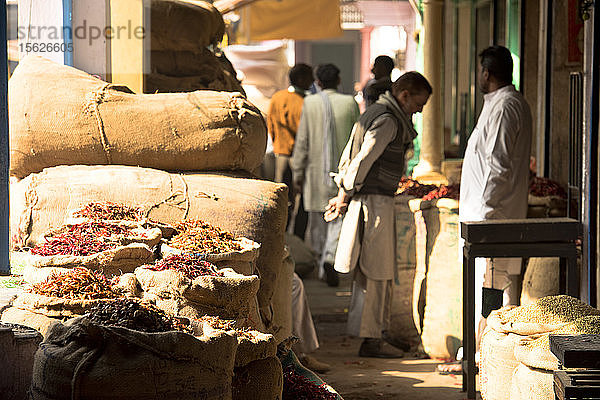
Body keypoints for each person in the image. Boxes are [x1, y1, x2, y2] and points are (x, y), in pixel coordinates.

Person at [439, 45, 532, 374]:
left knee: (492, 288)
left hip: (493, 217)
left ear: (486, 73)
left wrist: (487, 219)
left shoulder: (507, 106)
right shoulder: (498, 104)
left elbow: (498, 167)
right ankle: (480, 353)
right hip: (486, 215)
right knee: (489, 286)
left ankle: (482, 357)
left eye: (480, 71)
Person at [327, 72, 432, 358]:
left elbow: (350, 155)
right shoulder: (387, 120)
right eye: (418, 104)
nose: (419, 111)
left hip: (371, 200)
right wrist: (346, 190)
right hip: (373, 203)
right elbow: (362, 159)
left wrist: (344, 190)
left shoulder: (377, 112)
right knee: (376, 272)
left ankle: (377, 333)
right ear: (405, 95)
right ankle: (371, 338)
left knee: (376, 272)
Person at [290, 63, 360, 287]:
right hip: (343, 176)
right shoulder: (350, 102)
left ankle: (322, 261)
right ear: (338, 81)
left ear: (317, 82)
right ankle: (330, 258)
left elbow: (302, 141)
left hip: (314, 175)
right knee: (338, 218)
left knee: (318, 223)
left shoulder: (309, 103)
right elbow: (358, 140)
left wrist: (297, 173)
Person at [267, 63, 314, 238]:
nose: (312, 81)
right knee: (301, 200)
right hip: (300, 157)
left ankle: (281, 235)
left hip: (281, 154)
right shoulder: (307, 102)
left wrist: (278, 143)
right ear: (301, 79)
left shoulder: (277, 97)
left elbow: (270, 124)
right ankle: (298, 239)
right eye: (309, 77)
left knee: (282, 199)